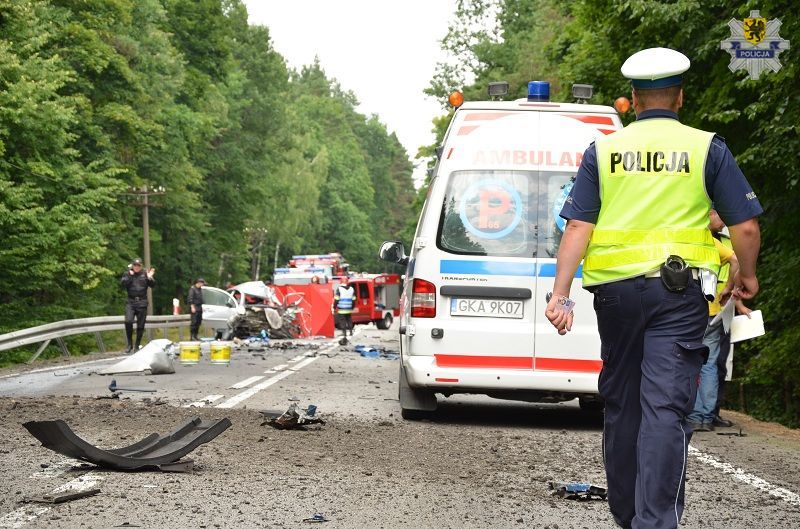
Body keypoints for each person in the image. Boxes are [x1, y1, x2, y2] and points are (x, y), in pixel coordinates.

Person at [545, 47, 762, 529]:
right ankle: (654, 522)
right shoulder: (707, 147)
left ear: (634, 101)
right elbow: (744, 227)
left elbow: (578, 225)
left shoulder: (603, 150)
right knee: (664, 408)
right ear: (680, 97)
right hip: (678, 296)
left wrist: (560, 295)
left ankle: (626, 514)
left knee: (622, 404)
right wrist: (746, 276)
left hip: (616, 298)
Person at [121, 257, 155, 354]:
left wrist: (150, 277)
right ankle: (129, 344)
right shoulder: (127, 273)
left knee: (140, 325)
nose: (136, 267)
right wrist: (130, 276)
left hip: (142, 302)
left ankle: (137, 345)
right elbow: (123, 284)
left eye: (138, 265)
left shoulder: (145, 273)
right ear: (132, 266)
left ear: (141, 266)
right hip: (131, 302)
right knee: (128, 321)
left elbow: (153, 285)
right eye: (135, 265)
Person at [333, 275, 356, 340]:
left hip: (341, 308)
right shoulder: (352, 289)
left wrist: (334, 307)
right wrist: (352, 306)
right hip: (349, 308)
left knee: (342, 321)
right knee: (349, 319)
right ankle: (351, 331)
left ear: (341, 281)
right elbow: (354, 299)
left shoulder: (339, 289)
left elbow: (337, 299)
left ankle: (344, 333)